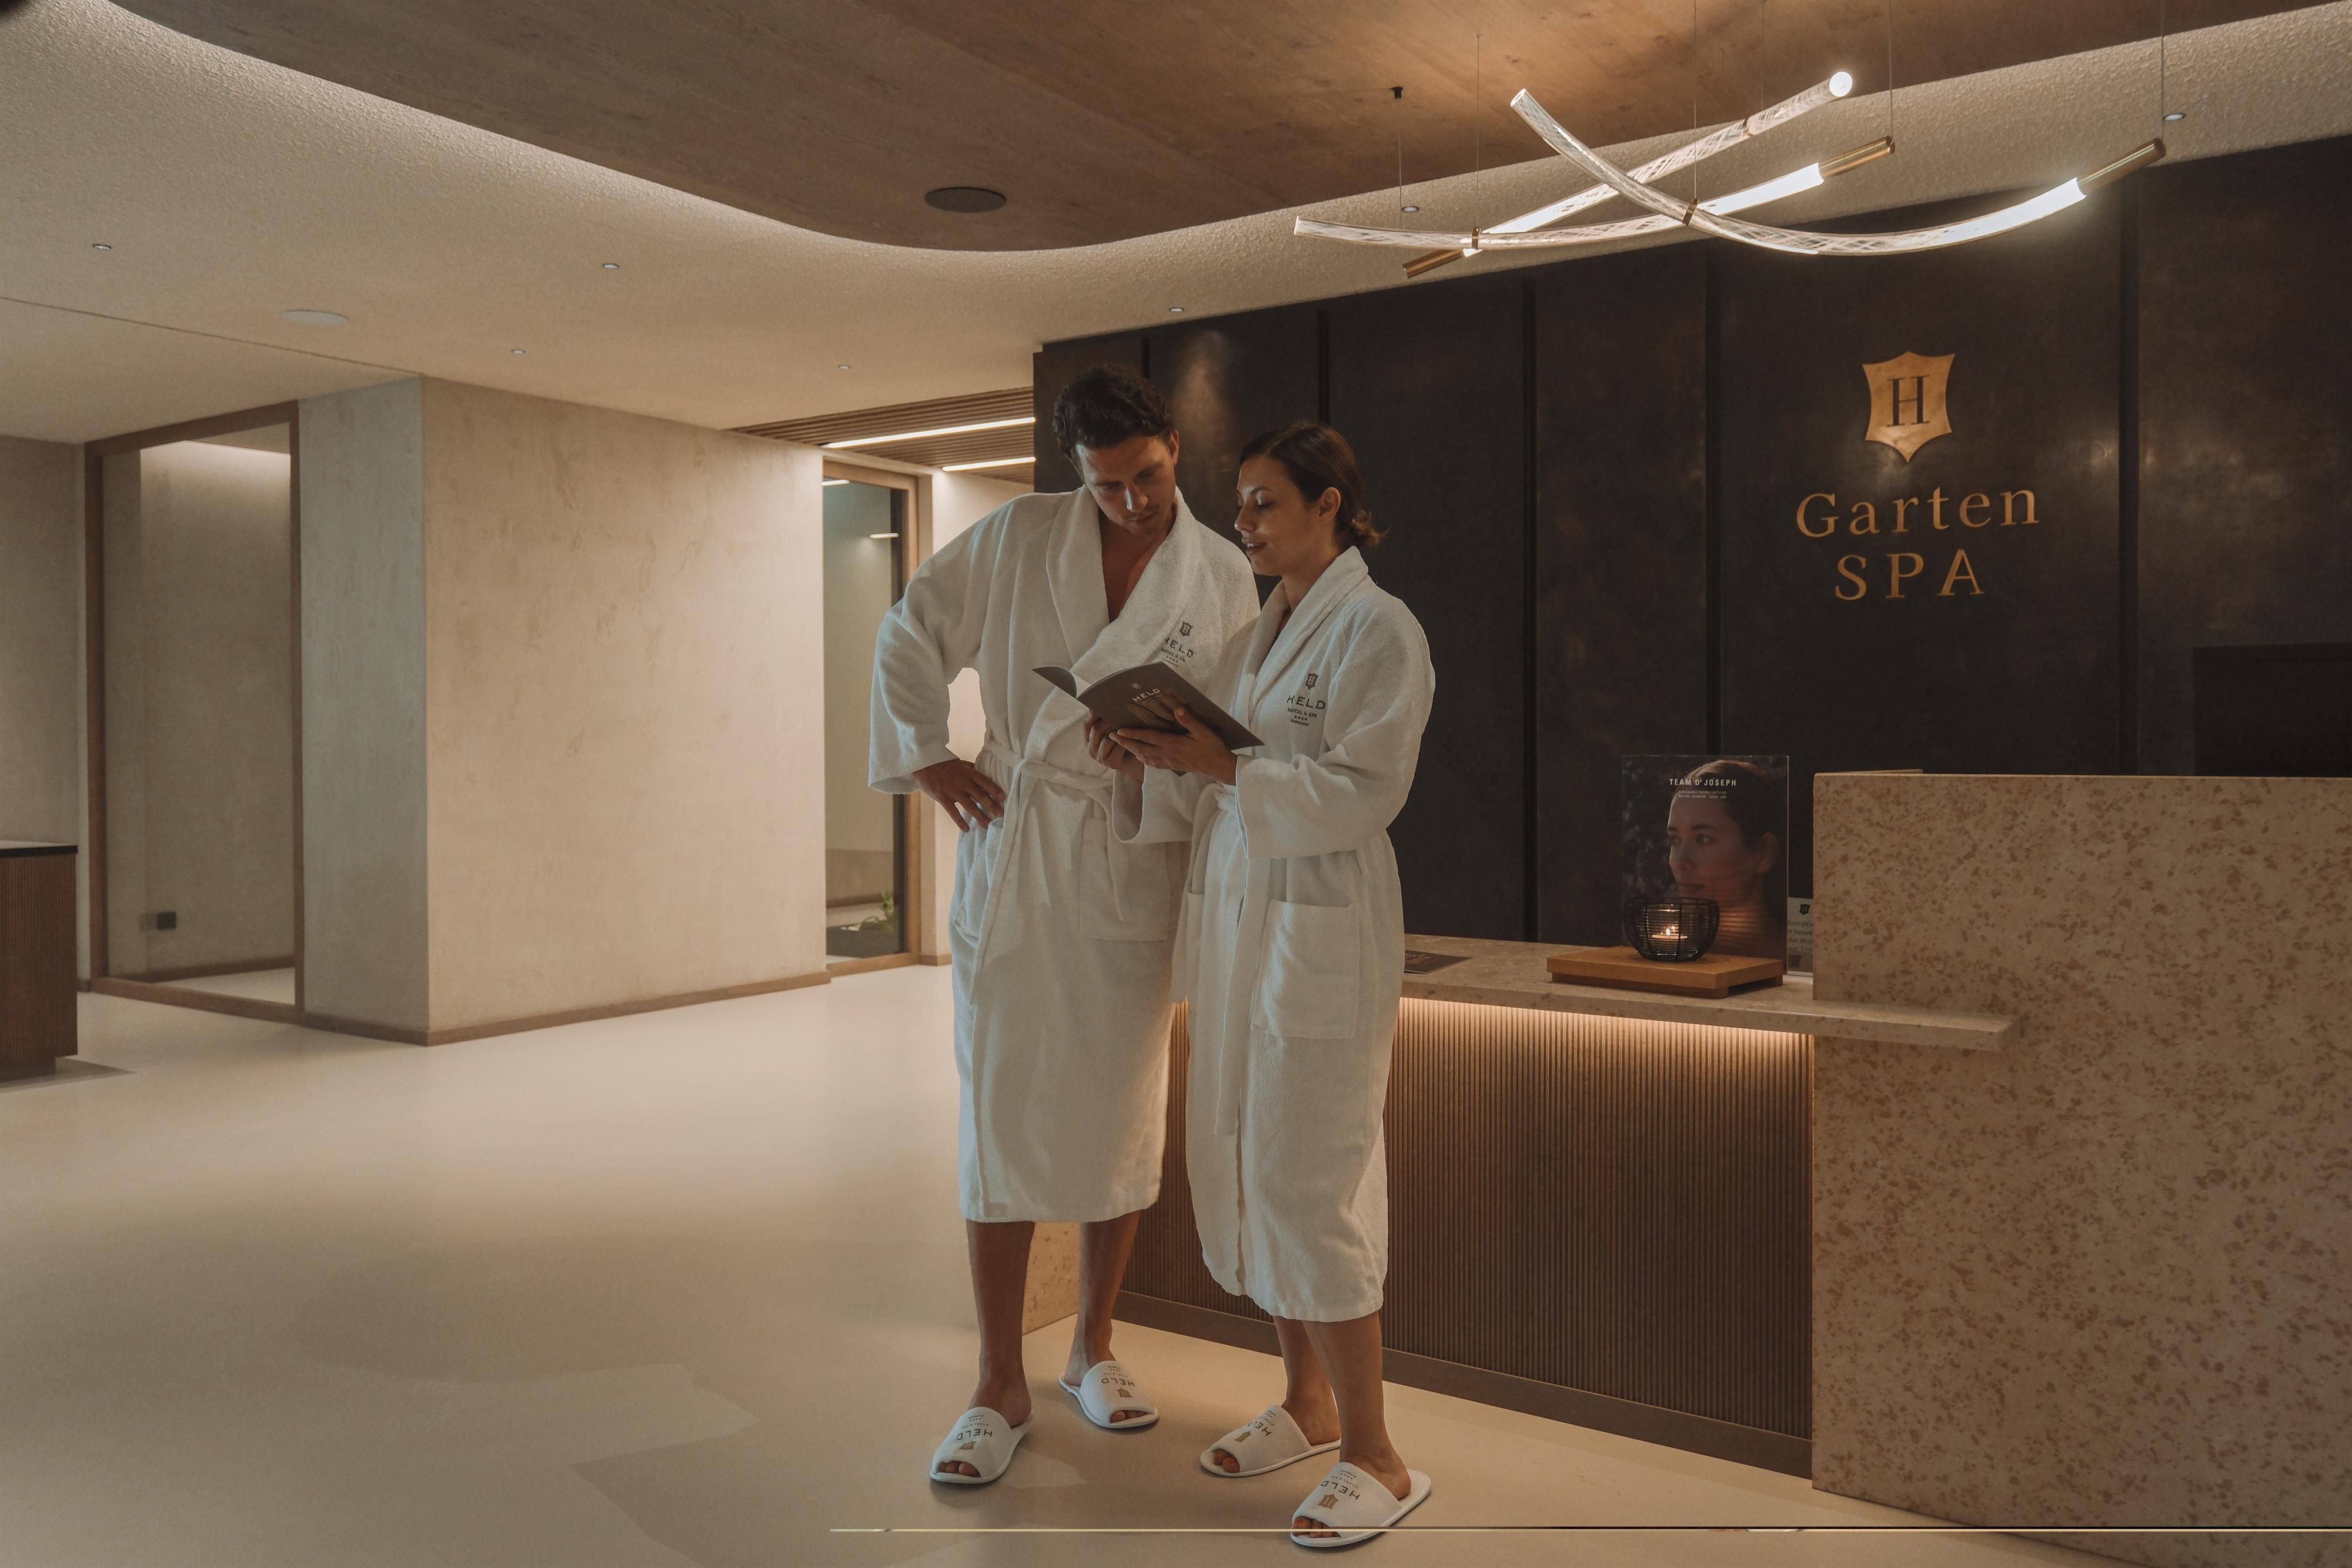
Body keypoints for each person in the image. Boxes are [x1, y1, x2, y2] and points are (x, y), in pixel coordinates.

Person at [870, 366, 1259, 1486]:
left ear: (1175, 449)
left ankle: (1093, 1345)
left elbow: (1231, 735)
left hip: (1132, 853)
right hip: (1023, 846)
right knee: (998, 1106)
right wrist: (930, 754)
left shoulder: (1222, 574)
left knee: (1118, 1106)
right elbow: (910, 630)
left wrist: (1161, 757)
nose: (1132, 503)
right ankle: (997, 1374)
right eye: (1107, 486)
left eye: (1145, 478)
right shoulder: (1017, 536)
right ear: (1075, 473)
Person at [1090, 421, 1436, 1549]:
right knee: (1245, 1151)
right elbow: (1212, 783)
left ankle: (1380, 1455)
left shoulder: (1380, 630)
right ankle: (1308, 1401)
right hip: (1248, 920)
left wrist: (1227, 765)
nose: (1244, 524)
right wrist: (1153, 752)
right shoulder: (1254, 638)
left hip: (1324, 920)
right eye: (1238, 506)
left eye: (1264, 504)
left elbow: (1365, 785)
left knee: (1311, 1172)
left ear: (1331, 505)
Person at [1665, 759, 1786, 959]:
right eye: (1675, 840)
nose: (1680, 862)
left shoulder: (1803, 961)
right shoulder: (1674, 952)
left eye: (1703, 839)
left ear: (1764, 853)